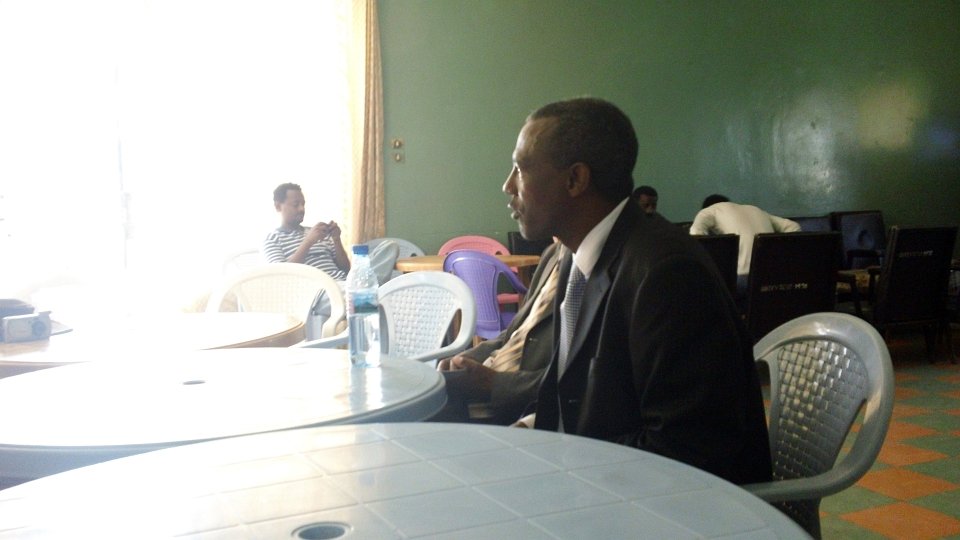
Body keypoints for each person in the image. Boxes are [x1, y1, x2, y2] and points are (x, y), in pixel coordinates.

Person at [503, 97, 771, 485]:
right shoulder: (575, 256)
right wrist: (533, 428)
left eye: (520, 169)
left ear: (575, 180)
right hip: (599, 479)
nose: (508, 186)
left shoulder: (668, 275)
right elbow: (586, 399)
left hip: (668, 503)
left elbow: (688, 452)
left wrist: (563, 460)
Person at [435, 240, 561, 424]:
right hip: (489, 378)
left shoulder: (590, 273)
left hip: (516, 404)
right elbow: (516, 331)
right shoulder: (554, 255)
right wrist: (465, 359)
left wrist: (494, 383)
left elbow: (576, 384)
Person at [689, 194, 800, 297]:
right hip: (773, 276)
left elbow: (695, 233)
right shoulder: (756, 210)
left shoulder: (708, 211)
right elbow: (794, 226)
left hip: (742, 278)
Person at [263, 183, 351, 279]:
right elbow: (282, 276)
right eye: (295, 205)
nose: (302, 209)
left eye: (303, 204)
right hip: (316, 287)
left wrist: (336, 239)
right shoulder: (272, 239)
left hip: (342, 283)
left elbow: (346, 269)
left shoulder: (318, 232)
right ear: (278, 207)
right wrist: (308, 242)